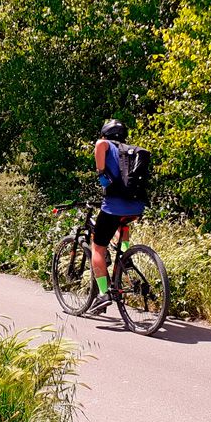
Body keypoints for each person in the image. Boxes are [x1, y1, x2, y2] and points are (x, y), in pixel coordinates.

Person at [88, 119, 145, 314]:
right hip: (136, 206)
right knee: (123, 223)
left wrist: (101, 173)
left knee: (97, 247)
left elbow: (99, 146)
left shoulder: (104, 144)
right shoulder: (132, 150)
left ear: (105, 134)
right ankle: (126, 257)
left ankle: (104, 294)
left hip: (113, 206)